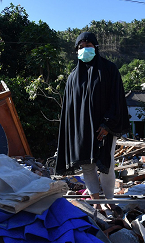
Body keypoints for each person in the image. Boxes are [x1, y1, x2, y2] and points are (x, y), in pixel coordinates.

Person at [56, 32, 130, 212]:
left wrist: (107, 124)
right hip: (82, 130)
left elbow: (116, 99)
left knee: (107, 164)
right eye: (80, 47)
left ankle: (109, 201)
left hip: (104, 128)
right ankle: (96, 201)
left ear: (96, 47)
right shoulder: (73, 77)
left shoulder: (109, 69)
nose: (84, 49)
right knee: (87, 166)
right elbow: (69, 109)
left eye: (88, 45)